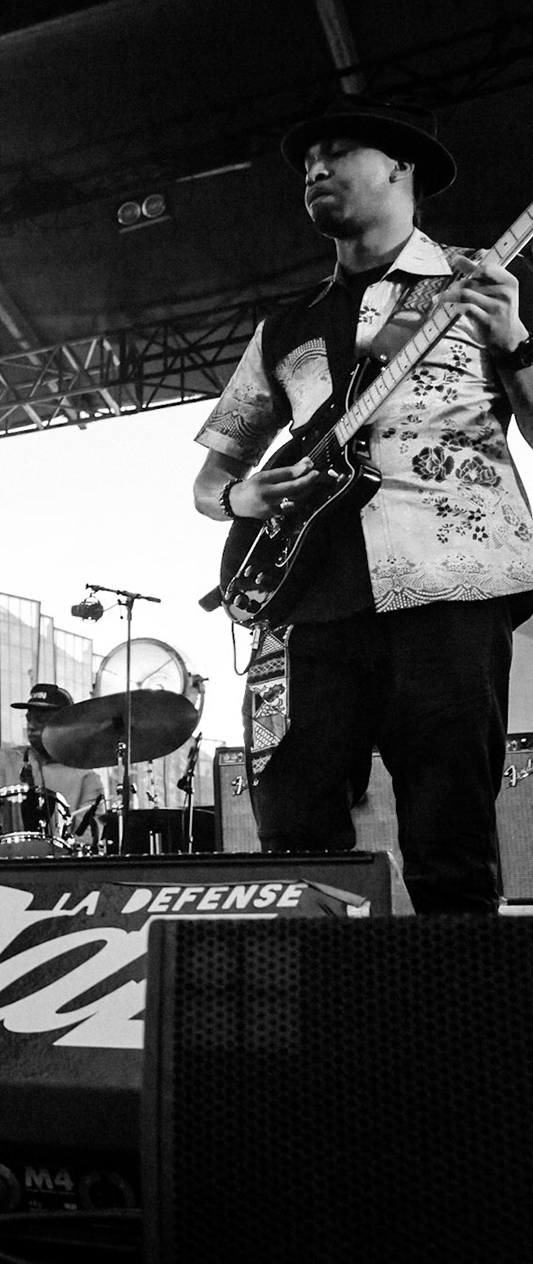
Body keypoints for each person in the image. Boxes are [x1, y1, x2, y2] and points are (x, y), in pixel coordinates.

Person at [192, 101, 533, 914]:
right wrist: (242, 495)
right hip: (311, 604)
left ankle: (459, 1027)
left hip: (449, 588)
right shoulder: (286, 327)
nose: (316, 167)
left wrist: (516, 341)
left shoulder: (477, 285)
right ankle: (323, 1025)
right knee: (295, 837)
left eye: (338, 151)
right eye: (307, 159)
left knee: (450, 837)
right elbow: (211, 483)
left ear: (402, 170)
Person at [0, 682, 106, 821]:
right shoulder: (5, 760)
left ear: (66, 724)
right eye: (29, 719)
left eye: (40, 720)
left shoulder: (87, 779)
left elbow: (88, 838)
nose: (31, 726)